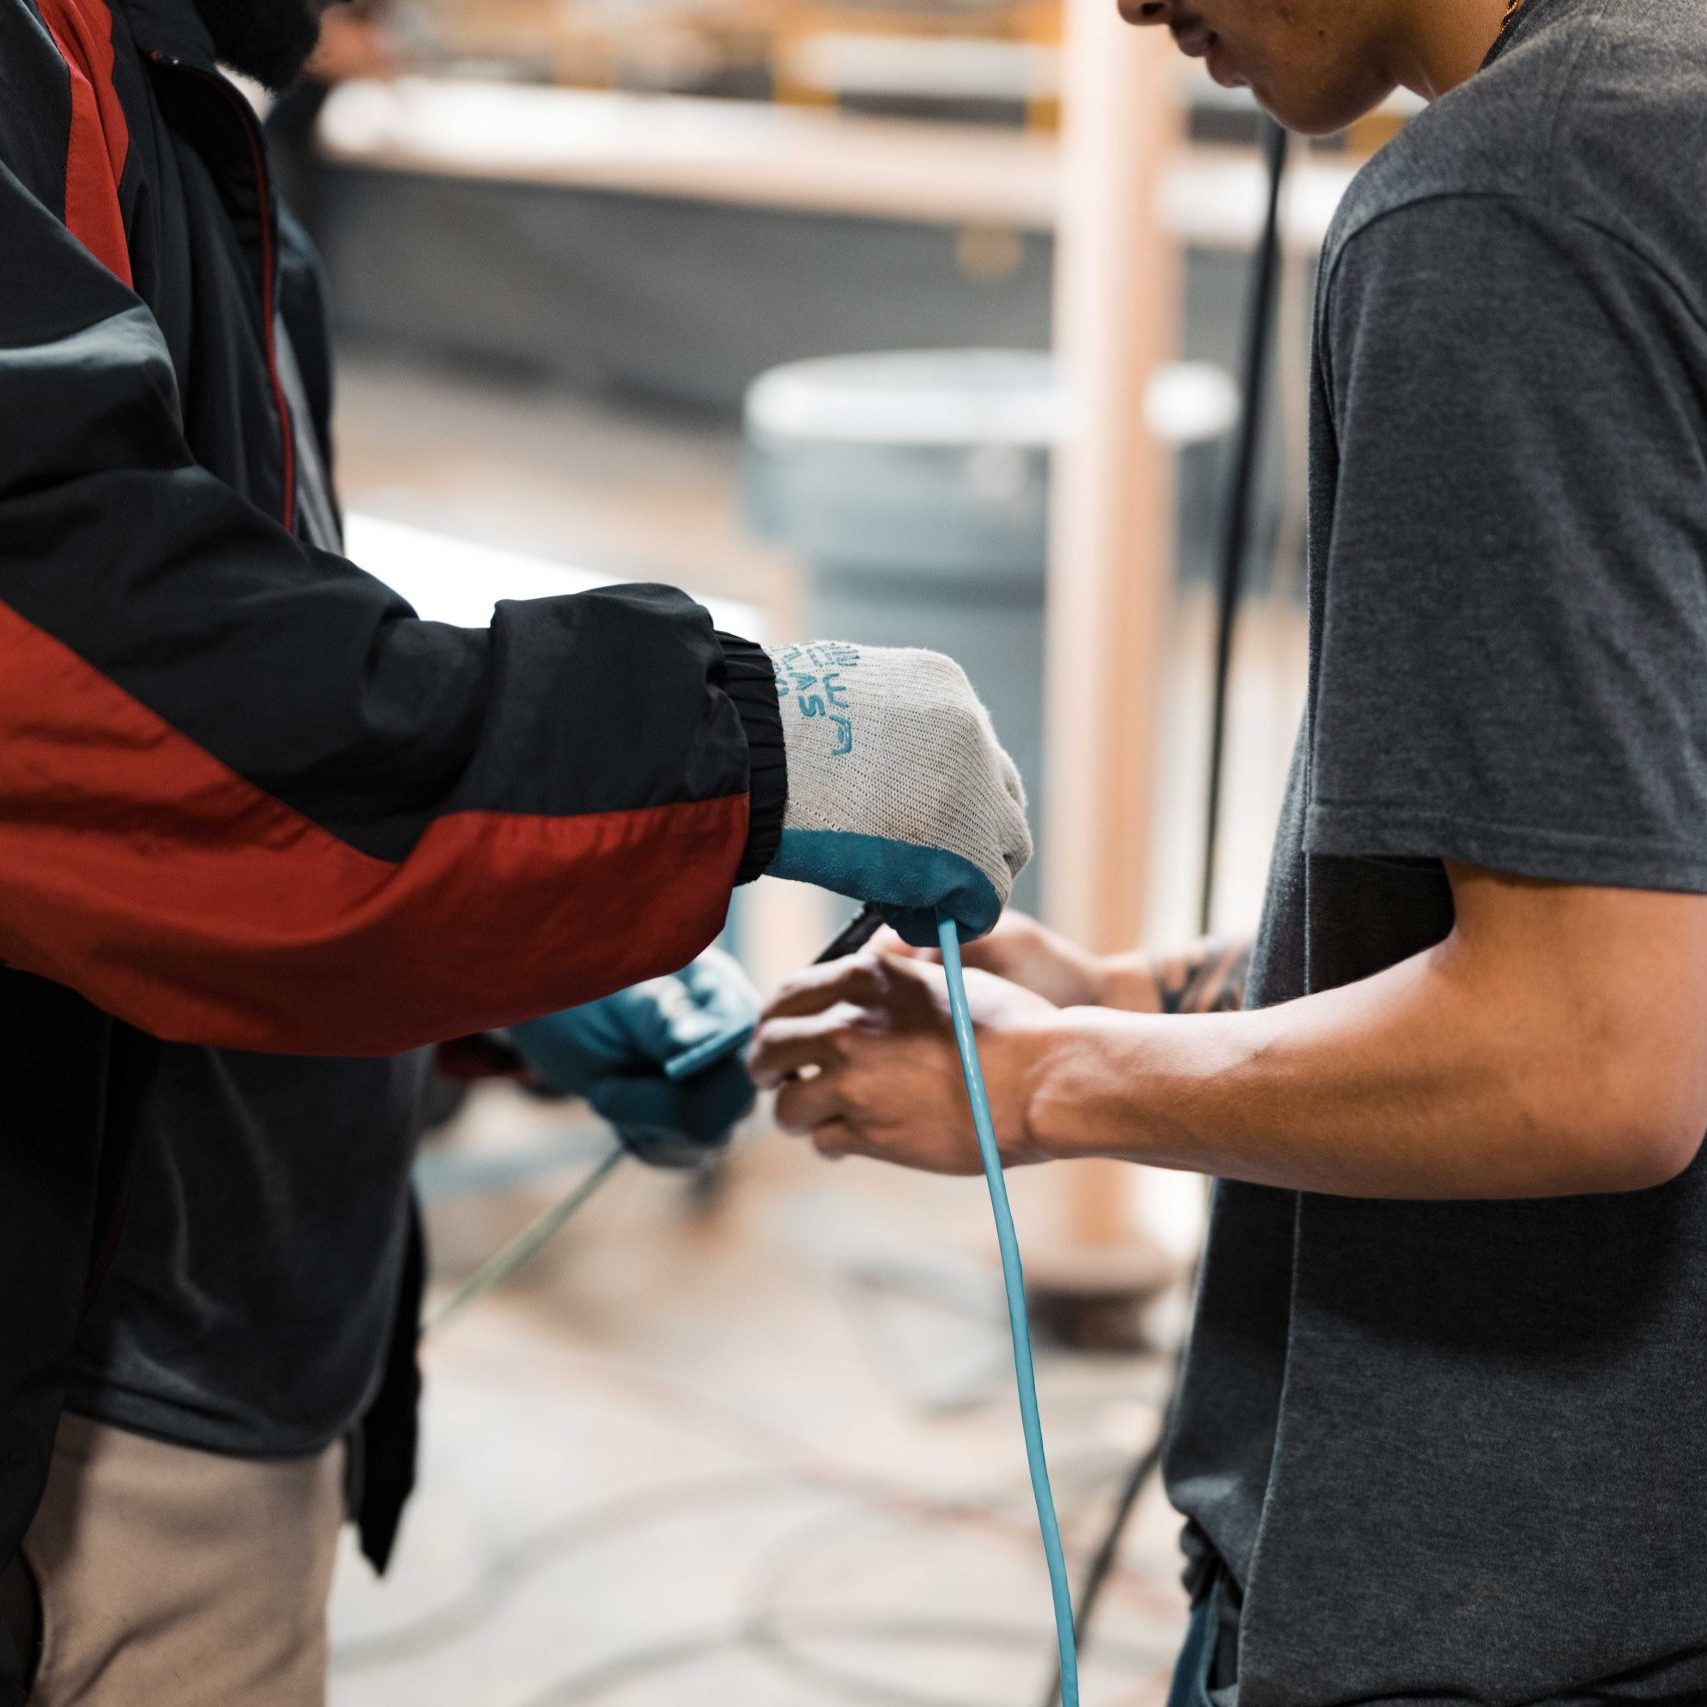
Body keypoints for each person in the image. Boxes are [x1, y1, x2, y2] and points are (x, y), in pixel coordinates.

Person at [0, 2, 1030, 1703]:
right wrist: (731, 753)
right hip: (93, 1422)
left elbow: (263, 703)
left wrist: (502, 973)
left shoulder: (171, 97)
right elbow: (104, 684)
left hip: (233, 1348)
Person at [750, 0, 1707, 1701]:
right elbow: (1655, 902)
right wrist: (1160, 994)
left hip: (1529, 1621)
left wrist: (1048, 1081)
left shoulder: (1508, 211)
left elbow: (1595, 1051)